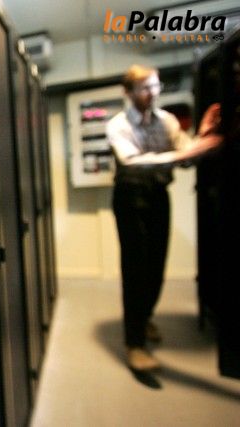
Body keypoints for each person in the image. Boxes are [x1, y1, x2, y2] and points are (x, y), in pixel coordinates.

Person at [106, 64, 223, 371]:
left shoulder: (168, 121)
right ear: (128, 92)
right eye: (145, 87)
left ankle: (144, 318)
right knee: (135, 268)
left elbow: (188, 156)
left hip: (158, 195)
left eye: (155, 86)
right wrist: (187, 153)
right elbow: (131, 162)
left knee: (156, 266)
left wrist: (204, 137)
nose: (152, 93)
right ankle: (134, 344)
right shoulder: (118, 125)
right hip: (130, 196)